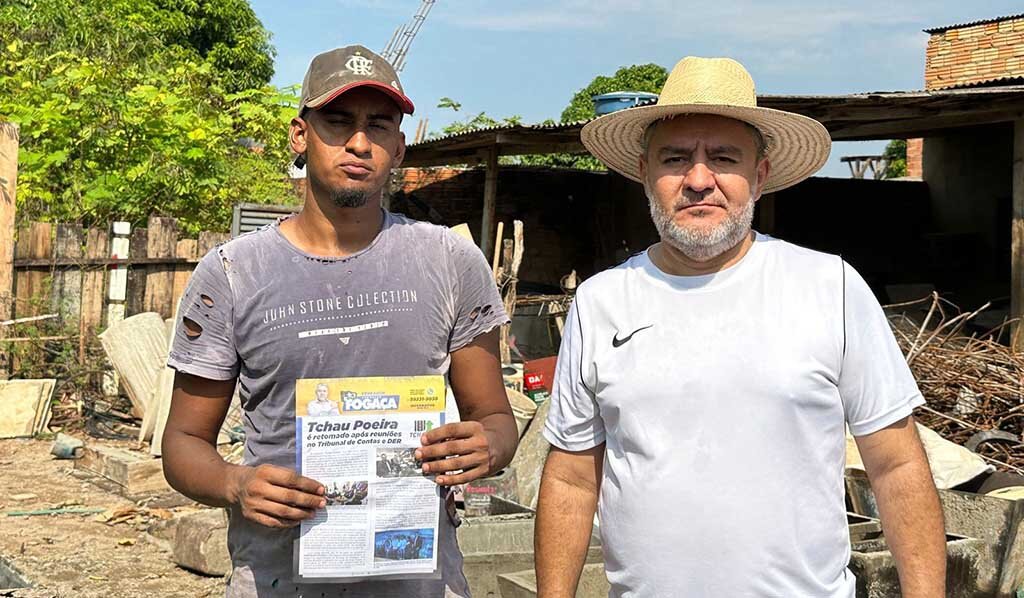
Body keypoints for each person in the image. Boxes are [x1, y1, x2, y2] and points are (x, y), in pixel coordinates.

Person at [534, 56, 946, 597]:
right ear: (644, 173)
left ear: (760, 174)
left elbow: (895, 466)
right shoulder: (601, 301)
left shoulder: (829, 287)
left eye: (723, 157)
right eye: (675, 158)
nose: (699, 180)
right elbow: (570, 478)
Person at [162, 44, 518, 598]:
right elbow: (183, 443)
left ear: (398, 147)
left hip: (418, 578)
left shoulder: (449, 261)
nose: (358, 142)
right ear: (299, 135)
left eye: (379, 125)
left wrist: (486, 447)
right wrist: (236, 483)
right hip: (278, 580)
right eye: (337, 121)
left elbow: (495, 416)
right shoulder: (233, 273)